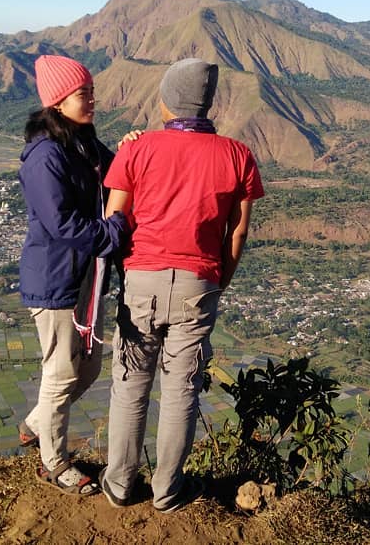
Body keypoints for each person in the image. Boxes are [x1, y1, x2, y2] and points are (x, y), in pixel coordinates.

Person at [99, 58, 265, 512]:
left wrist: (127, 272)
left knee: (131, 384)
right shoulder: (237, 154)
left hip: (142, 281)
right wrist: (218, 282)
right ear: (208, 103)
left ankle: (118, 485)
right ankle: (167, 492)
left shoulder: (138, 148)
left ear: (166, 101)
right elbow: (238, 231)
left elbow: (116, 219)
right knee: (181, 390)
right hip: (200, 283)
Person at [17, 54, 130, 496]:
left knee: (88, 369)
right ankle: (54, 462)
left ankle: (33, 425)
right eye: (84, 93)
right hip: (56, 281)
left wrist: (136, 148)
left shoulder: (81, 142)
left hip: (85, 278)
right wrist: (115, 232)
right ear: (58, 101)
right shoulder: (45, 157)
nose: (92, 100)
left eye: (90, 91)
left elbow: (116, 169)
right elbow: (62, 224)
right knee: (62, 374)